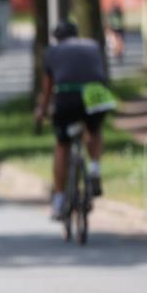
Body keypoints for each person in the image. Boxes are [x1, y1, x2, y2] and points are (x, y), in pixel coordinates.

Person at [35, 20, 108, 220]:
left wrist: (41, 111)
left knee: (62, 144)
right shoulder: (92, 45)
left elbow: (48, 89)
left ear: (56, 38)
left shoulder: (52, 51)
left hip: (67, 97)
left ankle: (59, 200)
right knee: (94, 129)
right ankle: (95, 168)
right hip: (97, 94)